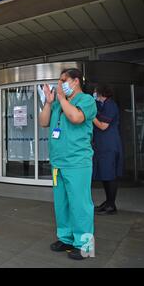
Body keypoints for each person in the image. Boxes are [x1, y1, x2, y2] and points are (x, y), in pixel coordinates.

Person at [39, 68, 97, 260]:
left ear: (76, 81)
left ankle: (85, 245)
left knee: (80, 205)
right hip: (58, 163)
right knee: (61, 203)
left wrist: (62, 99)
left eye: (64, 80)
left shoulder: (87, 101)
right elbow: (43, 122)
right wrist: (49, 103)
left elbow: (76, 117)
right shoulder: (56, 104)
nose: (60, 83)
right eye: (60, 80)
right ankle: (66, 238)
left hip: (77, 162)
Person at [92, 85, 123, 215]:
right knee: (105, 174)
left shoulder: (110, 105)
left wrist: (90, 115)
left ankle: (111, 205)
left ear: (101, 92)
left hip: (109, 145)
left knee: (110, 175)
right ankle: (108, 202)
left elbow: (103, 126)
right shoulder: (102, 105)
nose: (93, 93)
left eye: (95, 91)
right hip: (102, 145)